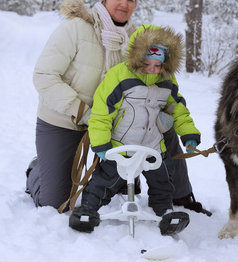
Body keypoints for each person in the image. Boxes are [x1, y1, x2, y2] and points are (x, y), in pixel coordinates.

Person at [25, 0, 210, 217]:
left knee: (165, 127)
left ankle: (181, 195)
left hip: (115, 121)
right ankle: (39, 168)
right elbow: (44, 76)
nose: (124, 3)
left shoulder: (139, 40)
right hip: (63, 119)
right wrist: (82, 111)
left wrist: (170, 115)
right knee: (54, 204)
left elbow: (157, 80)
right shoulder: (76, 29)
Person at [69, 24, 200, 234]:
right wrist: (101, 143)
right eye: (147, 63)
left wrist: (189, 135)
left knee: (162, 182)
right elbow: (102, 112)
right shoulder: (119, 76)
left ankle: (165, 212)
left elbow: (178, 111)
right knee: (104, 181)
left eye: (158, 65)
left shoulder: (167, 82)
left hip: (152, 146)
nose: (152, 69)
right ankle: (88, 209)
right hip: (121, 145)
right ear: (137, 58)